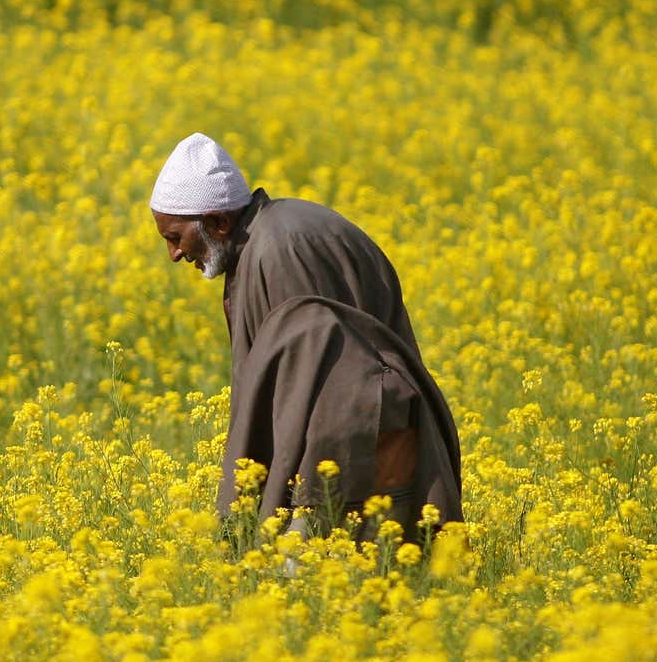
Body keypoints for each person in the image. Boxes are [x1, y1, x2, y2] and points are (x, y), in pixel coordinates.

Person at [149, 132, 463, 537]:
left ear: (219, 222)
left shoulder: (278, 253)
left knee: (320, 575)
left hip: (352, 450)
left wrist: (281, 502)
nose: (175, 254)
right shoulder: (270, 236)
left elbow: (317, 387)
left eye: (176, 238)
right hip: (365, 437)